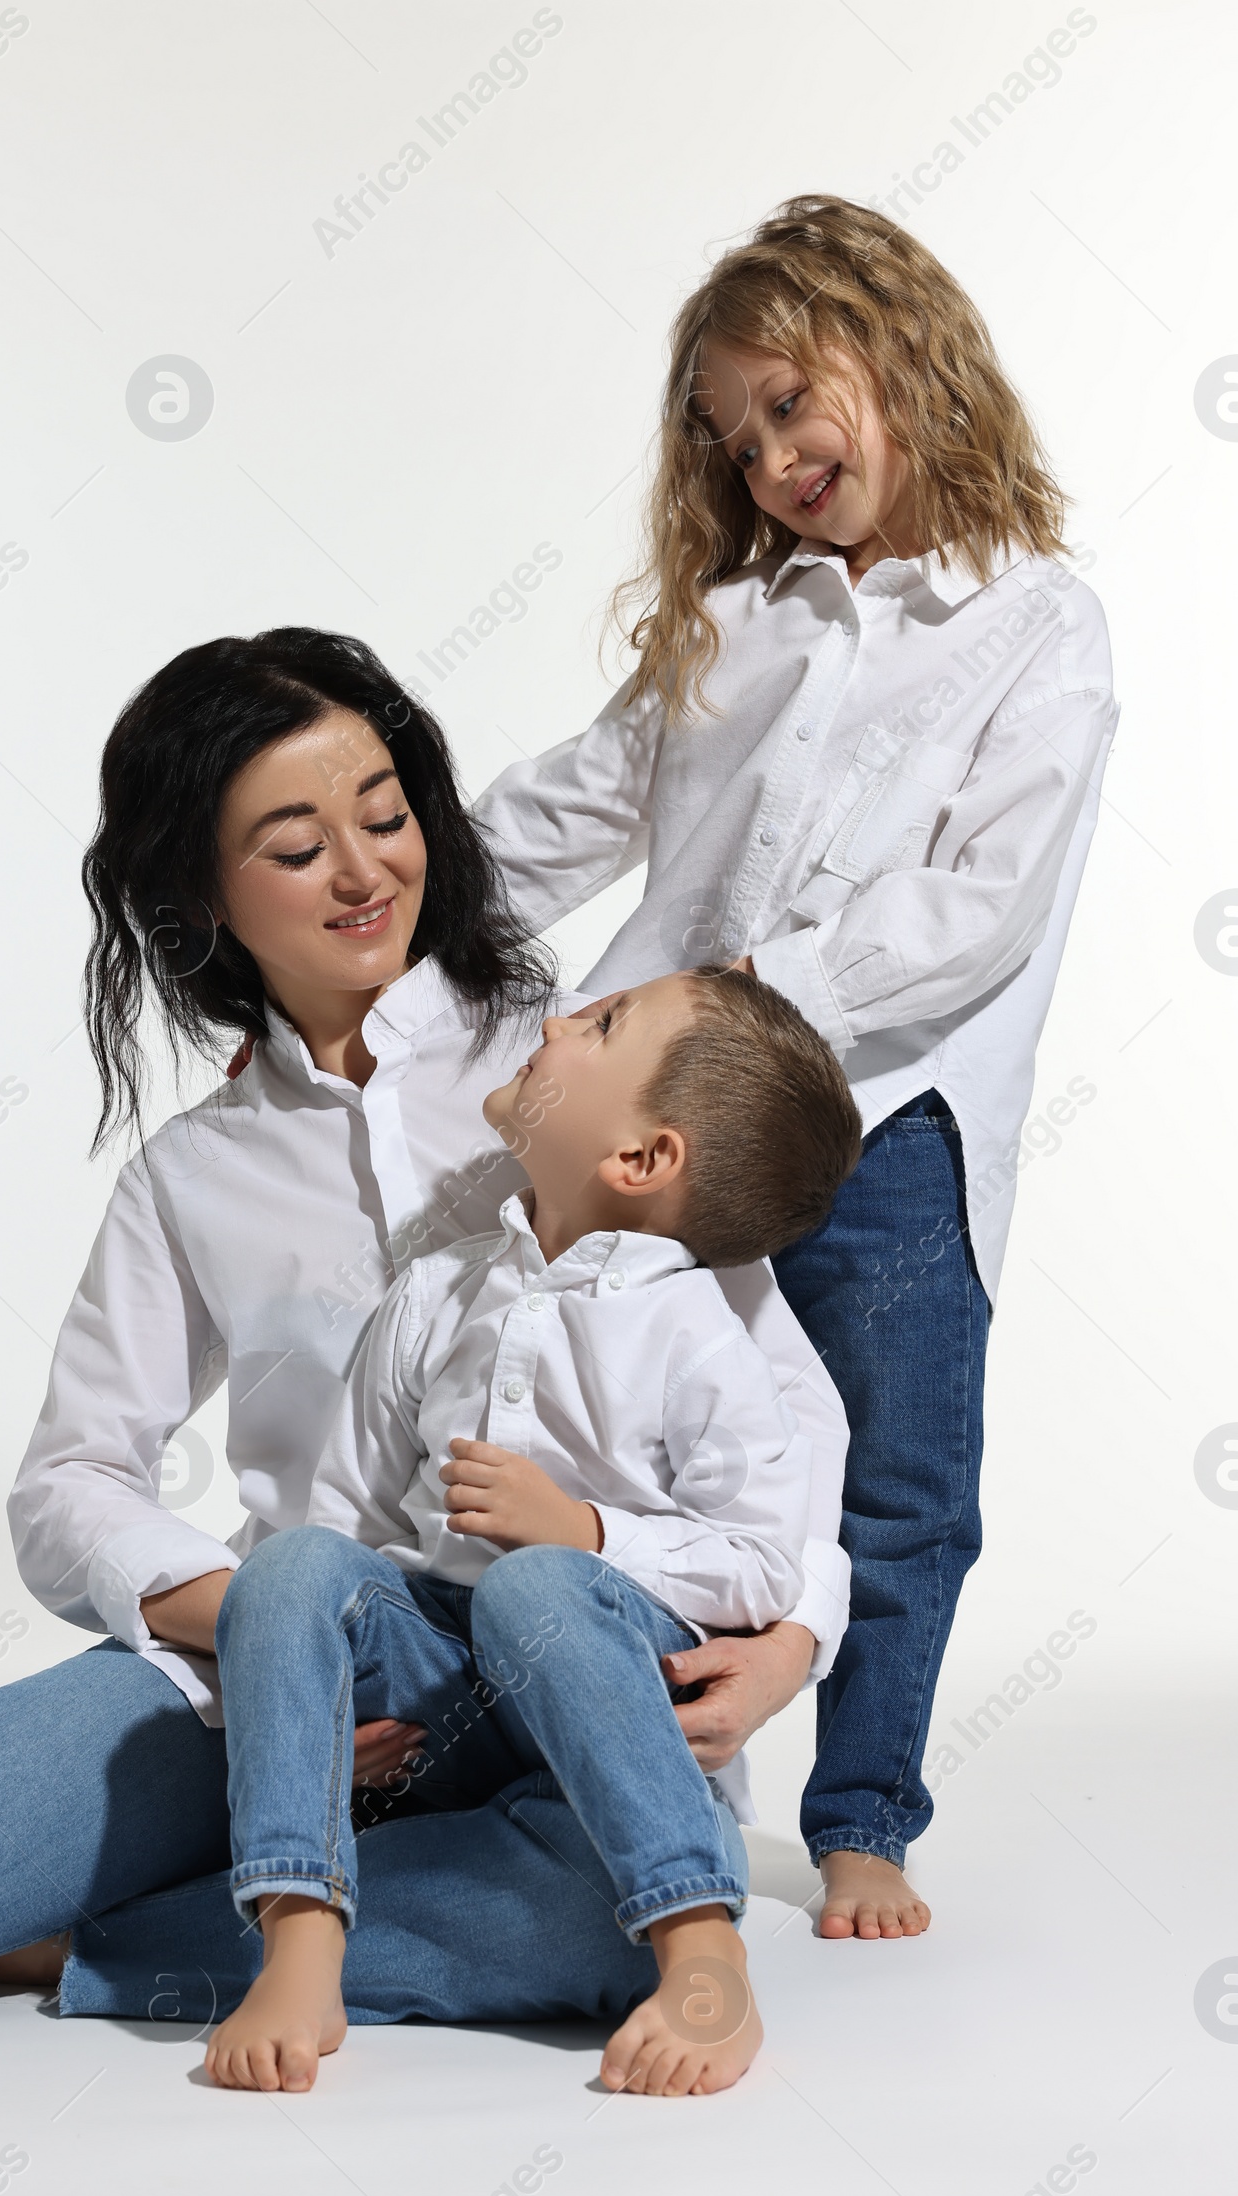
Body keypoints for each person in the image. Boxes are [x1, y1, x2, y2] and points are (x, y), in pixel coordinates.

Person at [0, 630, 848, 2020]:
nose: (368, 871)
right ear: (199, 889)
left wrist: (789, 1643)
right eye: (298, 845)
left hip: (568, 1681)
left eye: (385, 816)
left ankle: (98, 1947)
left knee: (610, 1923)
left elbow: (789, 1415)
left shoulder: (583, 1071)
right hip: (297, 1652)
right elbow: (72, 1479)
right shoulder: (192, 1174)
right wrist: (262, 1633)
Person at [472, 195, 1119, 1941]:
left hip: (896, 1124)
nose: (765, 455)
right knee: (630, 1434)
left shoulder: (1038, 628)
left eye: (785, 402)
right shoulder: (737, 635)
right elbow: (566, 813)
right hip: (663, 1112)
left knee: (901, 1479)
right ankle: (625, 1773)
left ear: (904, 357)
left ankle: (865, 1819)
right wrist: (402, 921)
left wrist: (762, 986)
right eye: (727, 435)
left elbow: (980, 905)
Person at [205, 966, 861, 2098]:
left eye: (600, 1025)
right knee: (292, 1566)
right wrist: (327, 1690)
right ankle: (301, 1927)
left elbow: (762, 1563)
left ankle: (698, 1942)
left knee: (536, 1590)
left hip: (590, 1698)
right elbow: (347, 1522)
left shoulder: (697, 1337)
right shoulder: (436, 1295)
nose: (557, 1019)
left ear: (642, 1160)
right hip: (431, 1683)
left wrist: (590, 1533)